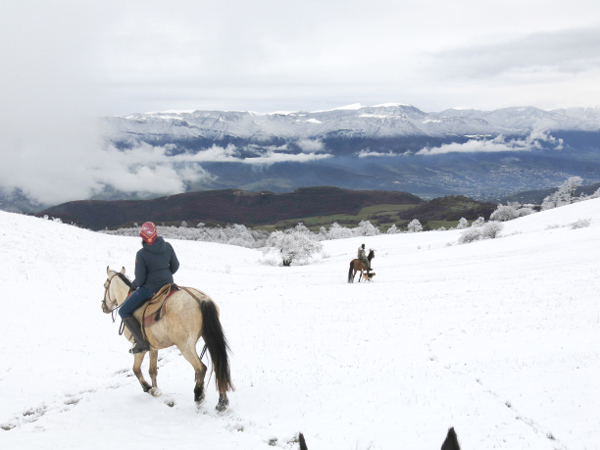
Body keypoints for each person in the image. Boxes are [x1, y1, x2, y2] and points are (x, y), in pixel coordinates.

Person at [118, 222, 180, 354]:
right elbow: (175, 266)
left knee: (123, 311)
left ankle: (141, 342)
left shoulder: (141, 254)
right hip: (169, 285)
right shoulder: (168, 246)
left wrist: (133, 285)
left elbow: (140, 280)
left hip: (150, 290)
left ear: (143, 237)